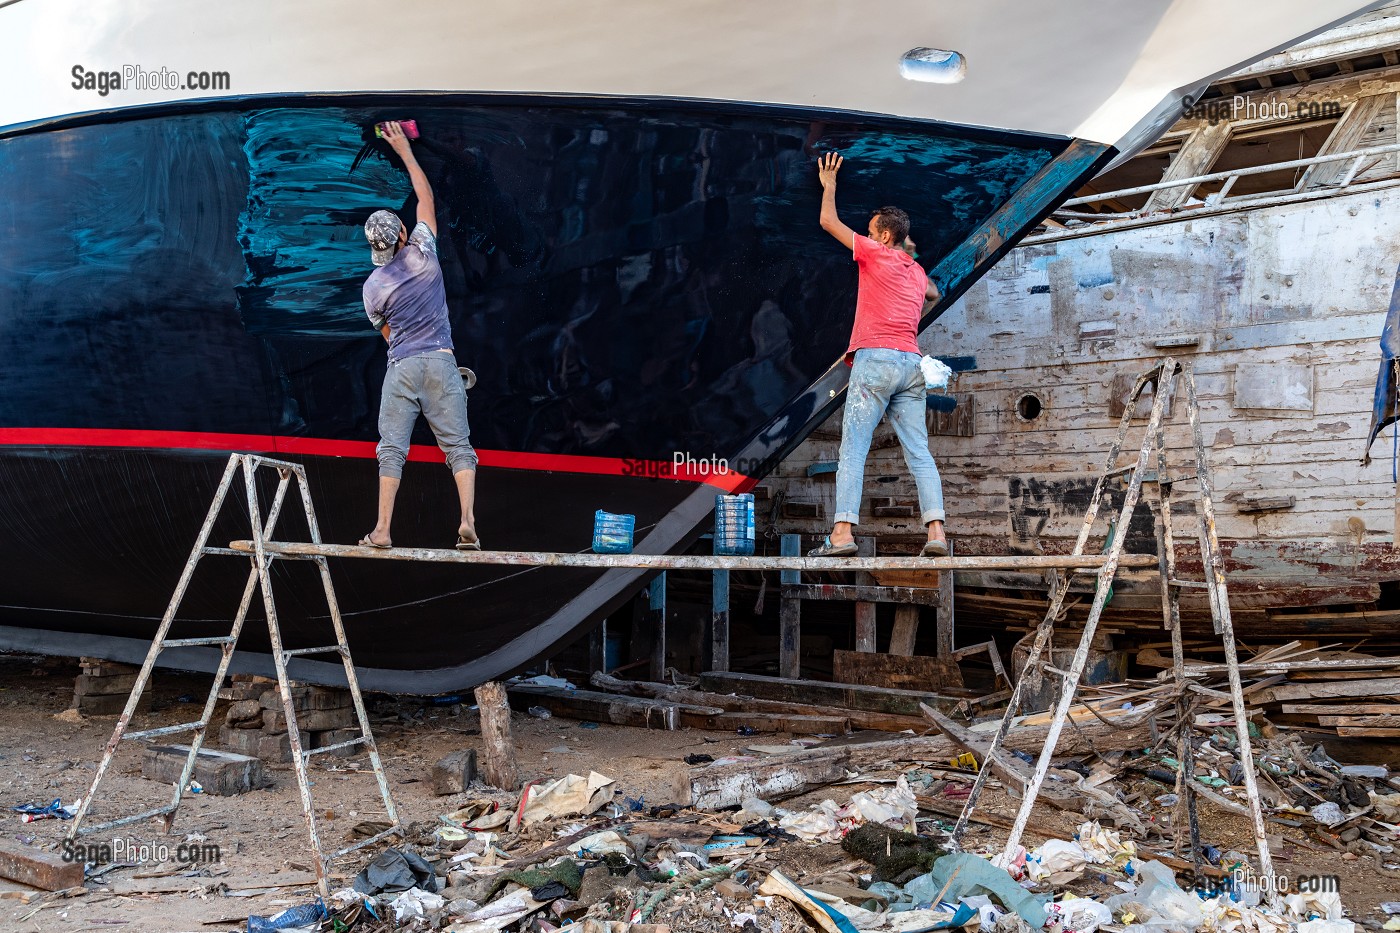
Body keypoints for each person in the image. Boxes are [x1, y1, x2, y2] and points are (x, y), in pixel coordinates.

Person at [807, 152, 948, 558]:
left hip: (876, 361)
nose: (868, 236)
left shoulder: (875, 253)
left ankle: (842, 535)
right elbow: (934, 294)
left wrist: (829, 183)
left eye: (872, 231)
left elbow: (828, 223)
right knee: (919, 451)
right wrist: (911, 270)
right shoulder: (916, 270)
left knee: (853, 449)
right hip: (911, 363)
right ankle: (936, 534)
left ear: (883, 236)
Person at [358, 120, 480, 551]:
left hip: (403, 366)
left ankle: (382, 531)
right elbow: (426, 197)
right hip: (442, 361)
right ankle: (466, 523)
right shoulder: (424, 253)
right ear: (403, 236)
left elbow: (388, 334)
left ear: (377, 250)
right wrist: (406, 150)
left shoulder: (372, 288)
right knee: (459, 448)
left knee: (391, 450)